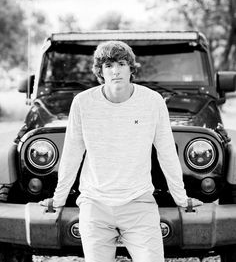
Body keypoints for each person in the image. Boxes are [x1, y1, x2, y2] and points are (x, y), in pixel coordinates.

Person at [40, 40, 203, 262]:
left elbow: (166, 153)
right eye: (108, 66)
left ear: (131, 68)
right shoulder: (83, 103)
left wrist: (181, 198)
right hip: (94, 204)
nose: (115, 71)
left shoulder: (152, 101)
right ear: (100, 71)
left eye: (121, 64)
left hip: (139, 202)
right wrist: (58, 199)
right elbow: (71, 154)